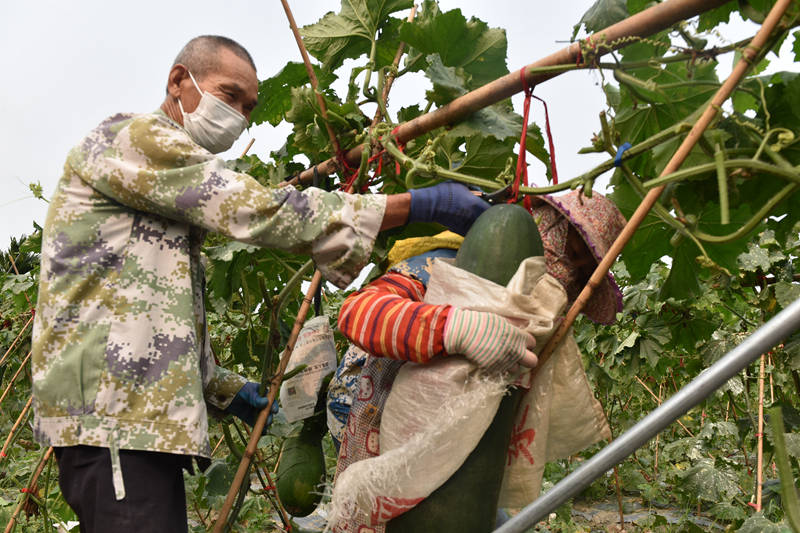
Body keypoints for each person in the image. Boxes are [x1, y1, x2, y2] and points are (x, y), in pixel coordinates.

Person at [31, 35, 488, 533]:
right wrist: (414, 206)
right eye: (228, 96)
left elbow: (152, 319)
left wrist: (230, 390)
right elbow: (256, 209)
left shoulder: (162, 197)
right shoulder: (133, 139)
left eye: (248, 107)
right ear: (179, 81)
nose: (239, 116)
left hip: (128, 422)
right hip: (115, 420)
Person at [326, 190, 626, 531]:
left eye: (581, 271)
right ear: (545, 227)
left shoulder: (544, 322)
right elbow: (357, 314)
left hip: (460, 463)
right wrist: (451, 328)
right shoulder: (443, 266)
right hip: (377, 422)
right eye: (570, 252)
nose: (568, 271)